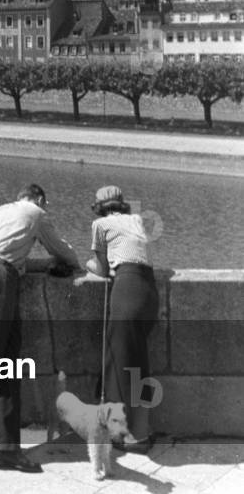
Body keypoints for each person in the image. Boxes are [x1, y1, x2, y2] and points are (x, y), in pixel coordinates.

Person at [0, 182, 80, 472]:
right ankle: (4, 450)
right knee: (5, 366)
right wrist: (61, 262)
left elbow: (11, 257)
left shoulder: (3, 211)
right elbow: (67, 254)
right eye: (44, 204)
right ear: (39, 198)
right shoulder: (36, 213)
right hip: (1, 284)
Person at [85, 185, 159, 451]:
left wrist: (87, 265)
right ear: (122, 204)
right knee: (139, 364)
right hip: (149, 292)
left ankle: (121, 435)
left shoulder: (100, 224)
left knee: (118, 364)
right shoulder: (138, 220)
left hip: (126, 289)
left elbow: (102, 269)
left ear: (100, 207)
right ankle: (141, 433)